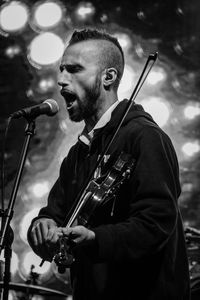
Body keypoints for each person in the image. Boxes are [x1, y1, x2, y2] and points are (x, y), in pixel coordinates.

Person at [27, 28, 190, 300]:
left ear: (108, 76)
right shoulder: (78, 153)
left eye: (74, 69)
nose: (61, 80)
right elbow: (54, 213)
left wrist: (95, 239)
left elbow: (156, 223)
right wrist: (42, 226)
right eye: (61, 70)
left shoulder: (145, 137)